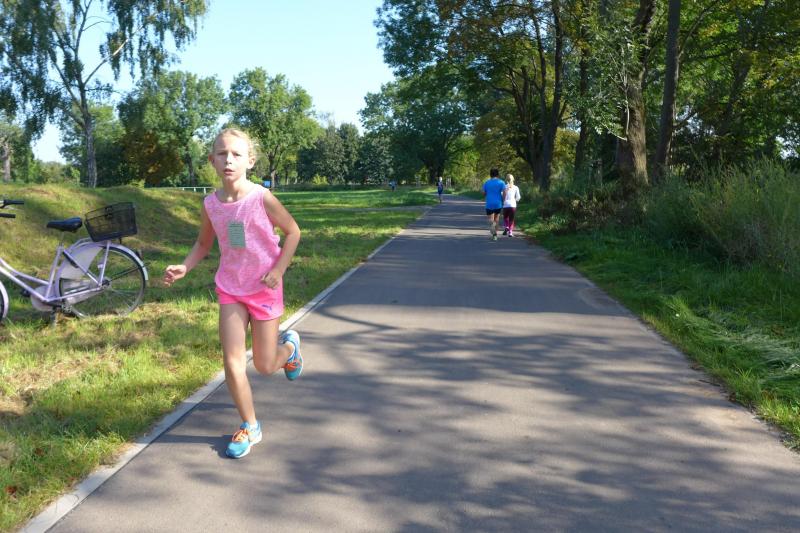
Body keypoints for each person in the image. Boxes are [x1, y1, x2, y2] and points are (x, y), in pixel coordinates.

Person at [163, 128, 303, 460]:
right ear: (212, 160)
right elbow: (203, 244)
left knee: (265, 365)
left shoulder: (262, 198)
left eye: (236, 154)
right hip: (230, 288)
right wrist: (185, 266)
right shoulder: (210, 204)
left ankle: (290, 349)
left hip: (264, 287)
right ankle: (250, 425)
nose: (229, 160)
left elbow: (293, 231)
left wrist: (279, 270)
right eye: (222, 153)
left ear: (250, 161)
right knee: (232, 361)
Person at [482, 168, 506, 241]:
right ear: (497, 174)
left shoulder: (487, 183)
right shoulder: (501, 182)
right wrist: (503, 200)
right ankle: (495, 235)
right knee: (497, 219)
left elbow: (483, 193)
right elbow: (504, 192)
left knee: (491, 219)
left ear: (490, 174)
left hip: (489, 203)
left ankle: (493, 229)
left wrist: (486, 194)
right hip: (498, 203)